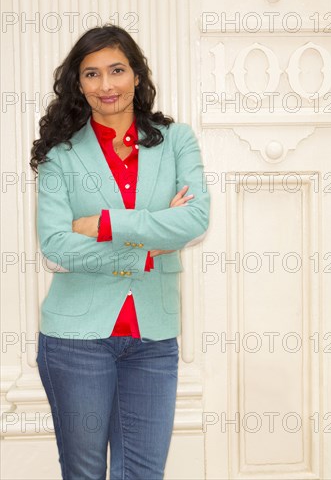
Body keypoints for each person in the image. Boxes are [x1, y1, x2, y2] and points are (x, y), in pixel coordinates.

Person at [30, 24, 210, 480]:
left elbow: (194, 221)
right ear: (78, 83)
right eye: (91, 74)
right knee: (85, 473)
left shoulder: (177, 141)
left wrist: (106, 224)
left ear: (136, 75)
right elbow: (55, 246)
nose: (106, 85)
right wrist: (149, 246)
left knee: (144, 474)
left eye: (116, 70)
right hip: (76, 341)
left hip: (153, 338)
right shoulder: (60, 155)